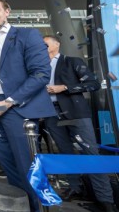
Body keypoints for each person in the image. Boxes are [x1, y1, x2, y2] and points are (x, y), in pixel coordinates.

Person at [0, 0, 56, 212]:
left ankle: (38, 208)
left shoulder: (27, 35)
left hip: (17, 109)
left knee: (28, 166)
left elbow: (41, 73)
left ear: (7, 11)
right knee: (8, 165)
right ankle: (22, 207)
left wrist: (9, 102)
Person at [43, 35, 118, 212]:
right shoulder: (38, 67)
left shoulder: (72, 61)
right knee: (65, 153)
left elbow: (93, 84)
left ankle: (105, 198)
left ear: (57, 44)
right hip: (51, 114)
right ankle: (75, 188)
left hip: (76, 112)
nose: (42, 46)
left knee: (90, 153)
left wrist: (65, 87)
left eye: (45, 43)